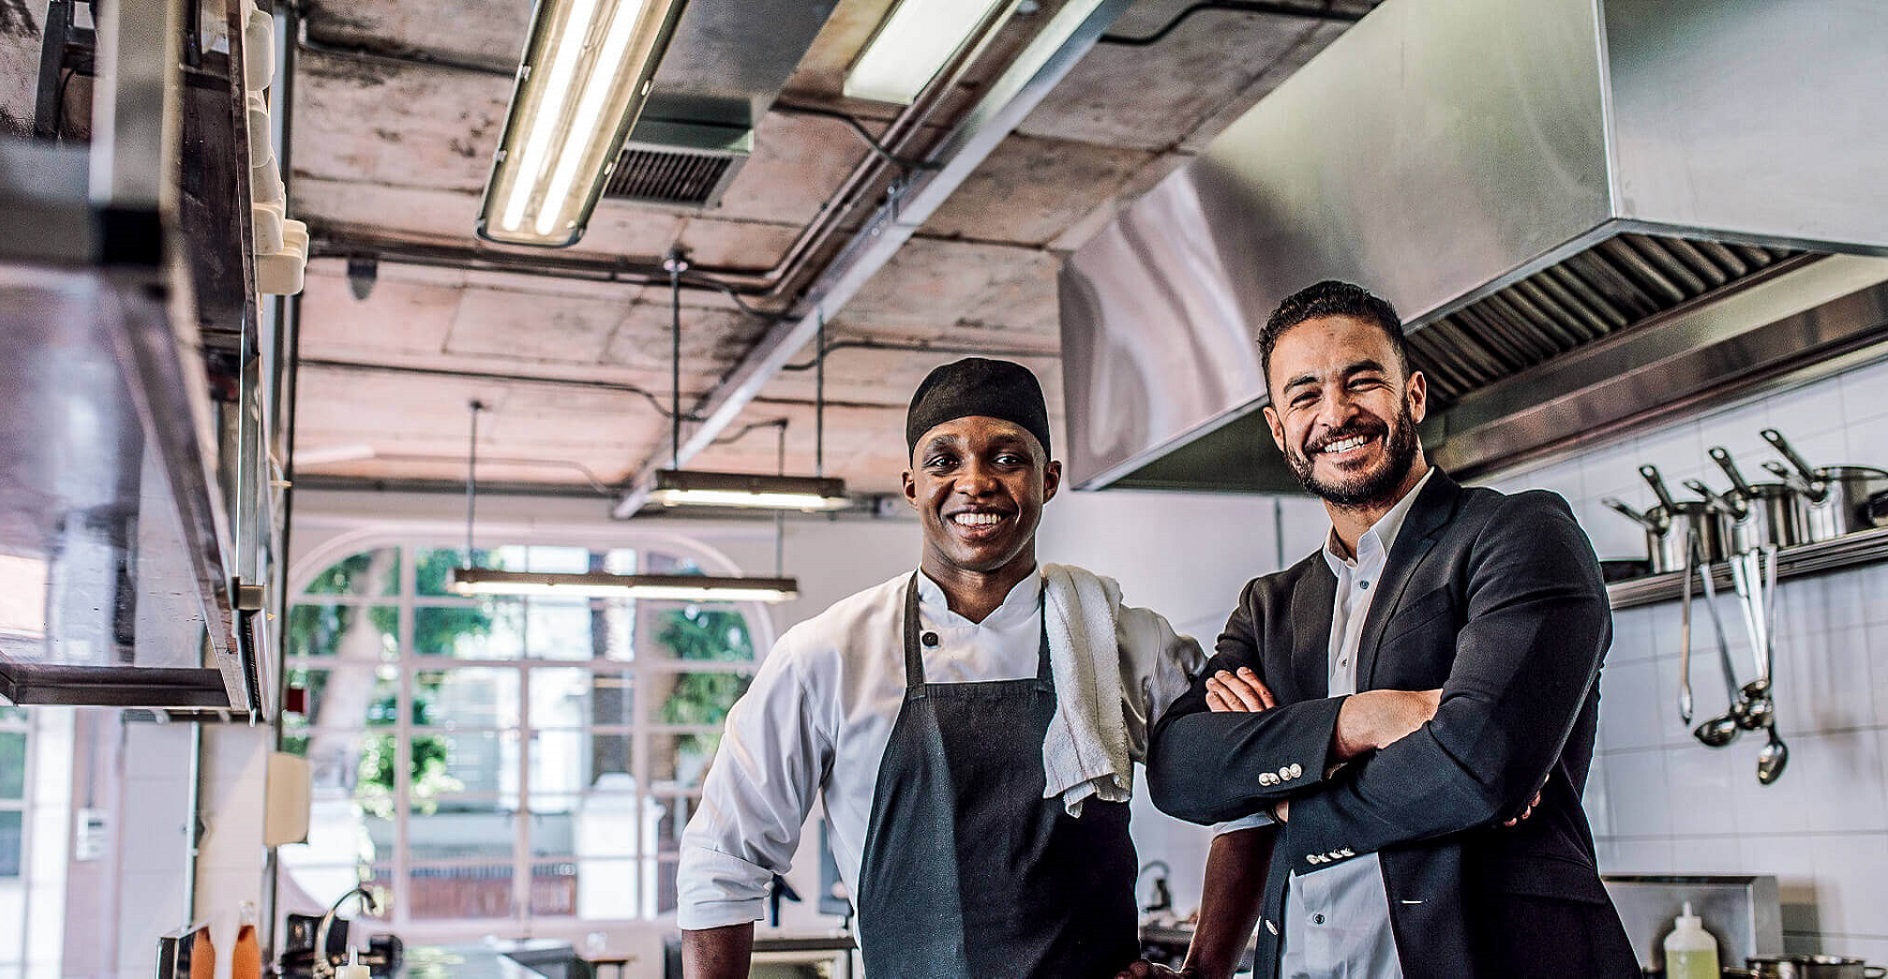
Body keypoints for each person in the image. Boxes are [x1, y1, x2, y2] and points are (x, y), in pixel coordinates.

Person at [677, 358, 1273, 979]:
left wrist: (1206, 972)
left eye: (1007, 458)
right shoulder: (827, 655)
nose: (975, 482)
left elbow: (1247, 794)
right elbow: (722, 860)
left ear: (1049, 480)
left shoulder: (1126, 639)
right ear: (911, 486)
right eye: (945, 461)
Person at [1147, 281, 1636, 979]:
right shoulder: (1270, 607)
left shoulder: (1519, 534)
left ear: (1413, 394)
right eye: (1305, 395)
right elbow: (1179, 767)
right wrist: (1361, 721)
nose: (1336, 413)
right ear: (1279, 428)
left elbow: (1478, 761)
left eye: (1362, 381)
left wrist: (1291, 801)